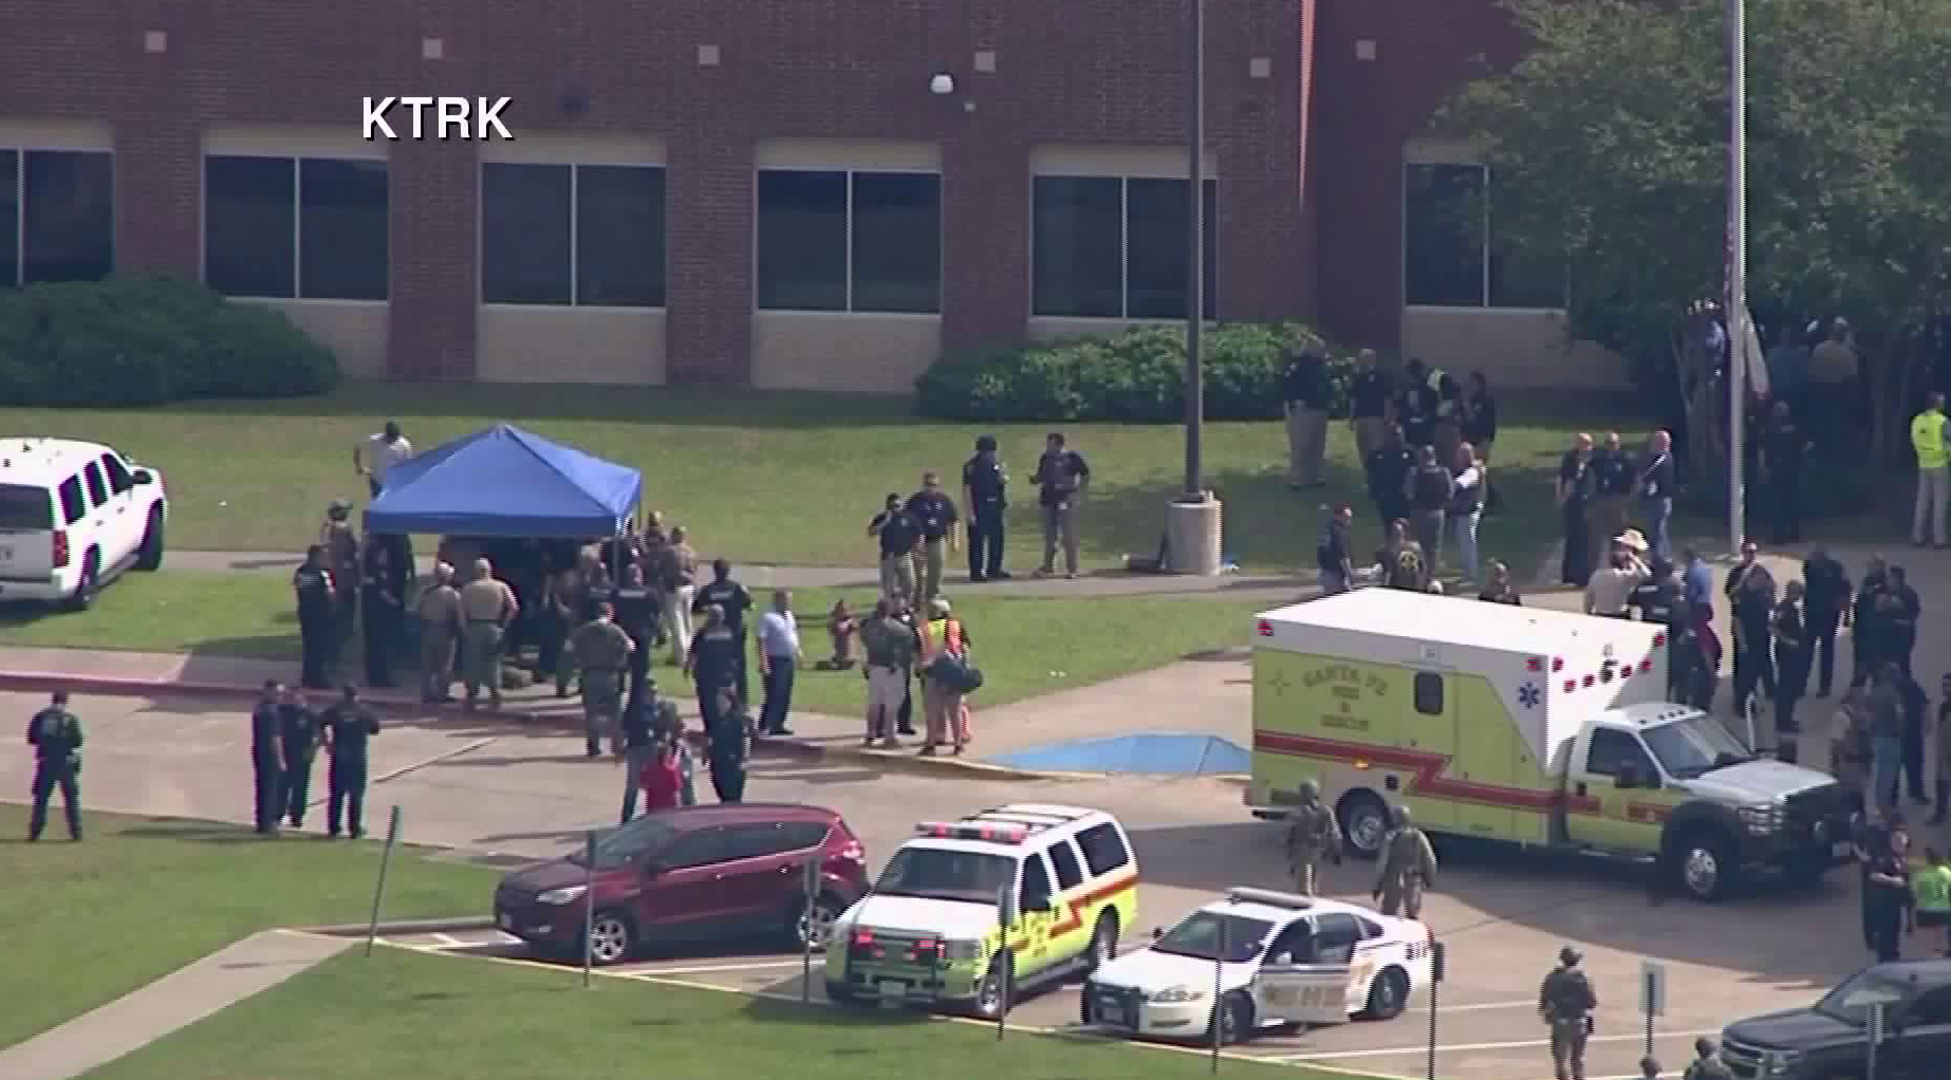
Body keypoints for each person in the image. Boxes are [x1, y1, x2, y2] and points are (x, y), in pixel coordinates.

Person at [571, 602, 634, 758]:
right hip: (610, 674)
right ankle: (617, 745)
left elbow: (570, 646)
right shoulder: (615, 630)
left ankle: (593, 747)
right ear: (610, 613)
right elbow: (630, 646)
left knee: (591, 713)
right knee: (615, 712)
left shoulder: (584, 630)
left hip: (589, 674)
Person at [318, 684, 380, 839]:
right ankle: (355, 829)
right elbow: (375, 730)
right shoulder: (365, 711)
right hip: (357, 757)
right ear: (357, 695)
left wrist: (327, 743)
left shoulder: (335, 710)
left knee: (336, 794)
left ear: (343, 694)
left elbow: (319, 723)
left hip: (339, 757)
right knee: (356, 794)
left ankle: (334, 828)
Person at [458, 558, 518, 711]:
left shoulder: (468, 588)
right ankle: (495, 694)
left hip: (474, 626)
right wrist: (504, 625)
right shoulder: (501, 586)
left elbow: (462, 612)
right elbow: (514, 607)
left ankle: (472, 695)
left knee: (472, 662)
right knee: (493, 662)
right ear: (490, 570)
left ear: (475, 571)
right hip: (494, 626)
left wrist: (464, 629)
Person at [1724, 542, 1777, 713]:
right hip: (1743, 625)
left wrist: (1771, 609)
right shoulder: (1736, 573)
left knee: (1764, 658)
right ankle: (1741, 698)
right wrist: (1741, 585)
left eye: (1753, 552)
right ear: (1743, 553)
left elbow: (1772, 591)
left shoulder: (1761, 571)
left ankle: (1770, 689)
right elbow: (1729, 593)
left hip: (1761, 624)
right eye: (1748, 552)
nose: (1751, 555)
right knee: (1743, 663)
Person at [26, 690, 84, 842]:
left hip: (46, 761)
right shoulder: (70, 718)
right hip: (65, 762)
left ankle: (35, 831)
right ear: (66, 701)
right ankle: (76, 832)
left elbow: (31, 738)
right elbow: (78, 741)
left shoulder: (41, 716)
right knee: (71, 798)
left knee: (41, 798)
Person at [918, 597, 973, 756]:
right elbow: (965, 647)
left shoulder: (924, 628)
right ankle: (958, 745)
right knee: (955, 711)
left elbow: (918, 652)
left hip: (932, 673)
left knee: (932, 711)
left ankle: (931, 745)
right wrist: (965, 667)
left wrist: (920, 668)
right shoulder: (956, 624)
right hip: (953, 672)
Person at [693, 559, 754, 701]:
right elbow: (750, 605)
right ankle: (741, 699)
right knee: (738, 666)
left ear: (714, 571)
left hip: (715, 634)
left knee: (716, 666)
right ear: (728, 571)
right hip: (735, 632)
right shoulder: (737, 588)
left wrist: (710, 609)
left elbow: (695, 609)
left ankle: (717, 697)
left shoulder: (708, 590)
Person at [1032, 432, 1091, 579]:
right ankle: (1048, 567)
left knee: (1068, 535)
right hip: (1047, 500)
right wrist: (1035, 479)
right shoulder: (1045, 457)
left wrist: (1077, 490)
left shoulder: (1072, 457)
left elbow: (1085, 474)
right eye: (1047, 444)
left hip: (1065, 500)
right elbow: (1041, 475)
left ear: (1059, 445)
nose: (1048, 447)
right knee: (1049, 536)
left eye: (1050, 445)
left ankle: (1072, 569)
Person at [860, 599, 917, 747]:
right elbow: (910, 637)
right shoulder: (896, 627)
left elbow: (864, 640)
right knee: (892, 704)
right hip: (891, 668)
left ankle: (870, 734)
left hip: (874, 666)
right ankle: (889, 737)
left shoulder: (867, 626)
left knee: (874, 703)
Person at [1539, 946, 1598, 1080]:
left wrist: (1547, 1014)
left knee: (1560, 1059)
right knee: (1578, 1058)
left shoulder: (1553, 977)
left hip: (1560, 1021)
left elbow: (1544, 999)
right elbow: (1592, 1002)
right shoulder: (1583, 977)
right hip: (1580, 1021)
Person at [613, 562, 661, 716]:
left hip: (621, 636)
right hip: (642, 637)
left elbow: (613, 614)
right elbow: (656, 616)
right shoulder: (649, 593)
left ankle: (616, 705)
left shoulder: (618, 592)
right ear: (639, 576)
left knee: (619, 672)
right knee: (639, 675)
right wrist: (659, 634)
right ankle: (634, 707)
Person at [685, 604, 742, 732]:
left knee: (708, 702)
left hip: (707, 673)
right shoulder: (729, 632)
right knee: (725, 702)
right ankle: (723, 726)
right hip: (723, 673)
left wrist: (687, 668)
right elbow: (735, 654)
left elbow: (693, 653)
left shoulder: (703, 632)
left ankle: (711, 727)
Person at [961, 434, 1010, 582]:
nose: (989, 455)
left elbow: (1002, 483)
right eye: (987, 452)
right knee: (977, 541)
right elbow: (967, 489)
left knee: (997, 539)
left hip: (995, 507)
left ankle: (994, 569)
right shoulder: (971, 467)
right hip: (978, 507)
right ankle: (976, 572)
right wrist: (969, 512)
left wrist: (1003, 475)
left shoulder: (997, 465)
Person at [1801, 547, 1849, 698]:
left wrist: (1846, 613)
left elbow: (1845, 589)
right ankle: (1801, 684)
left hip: (1829, 614)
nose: (1814, 561)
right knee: (1806, 651)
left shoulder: (1836, 569)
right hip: (1812, 614)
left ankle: (1824, 687)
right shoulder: (1809, 568)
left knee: (1827, 651)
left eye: (1817, 558)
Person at [905, 472, 960, 603]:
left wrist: (955, 540)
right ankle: (917, 598)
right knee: (919, 572)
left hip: (937, 539)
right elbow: (906, 520)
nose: (931, 488)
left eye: (934, 485)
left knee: (936, 569)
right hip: (918, 541)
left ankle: (932, 596)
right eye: (928, 485)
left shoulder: (944, 500)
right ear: (923, 485)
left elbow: (954, 520)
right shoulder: (915, 501)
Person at [1372, 805, 1436, 918]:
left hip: (1393, 878)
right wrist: (1429, 878)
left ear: (1395, 819)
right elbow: (1430, 859)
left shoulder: (1390, 838)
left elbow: (1382, 864)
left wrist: (1377, 885)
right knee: (1412, 912)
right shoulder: (1418, 836)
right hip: (1413, 877)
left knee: (1389, 913)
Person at [1758, 400, 1808, 544]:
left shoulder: (1770, 426)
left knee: (1780, 502)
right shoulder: (1793, 427)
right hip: (1788, 468)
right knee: (1789, 501)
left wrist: (1763, 467)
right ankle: (1791, 534)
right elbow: (1806, 446)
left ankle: (1782, 535)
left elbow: (1763, 448)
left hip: (1780, 468)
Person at [1282, 347, 1332, 489]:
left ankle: (1315, 476)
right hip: (1304, 410)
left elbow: (1326, 387)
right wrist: (1295, 401)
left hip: (1320, 408)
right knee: (1301, 445)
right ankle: (1297, 478)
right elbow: (1289, 386)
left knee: (1317, 445)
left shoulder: (1322, 367)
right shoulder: (1298, 366)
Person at [756, 589, 803, 737]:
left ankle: (778, 724)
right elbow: (761, 640)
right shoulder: (768, 617)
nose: (789, 603)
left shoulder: (789, 615)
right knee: (773, 693)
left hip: (788, 659)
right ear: (777, 600)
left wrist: (798, 652)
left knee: (785, 694)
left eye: (790, 600)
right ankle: (765, 725)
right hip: (774, 660)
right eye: (786, 600)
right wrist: (764, 662)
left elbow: (792, 633)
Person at [293, 545, 340, 691]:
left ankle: (307, 676)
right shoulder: (323, 573)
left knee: (309, 646)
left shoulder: (301, 571)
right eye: (324, 556)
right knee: (320, 647)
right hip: (320, 615)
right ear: (316, 557)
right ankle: (319, 678)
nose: (326, 558)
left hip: (305, 613)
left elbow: (298, 587)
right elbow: (330, 594)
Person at [415, 562, 462, 703]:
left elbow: (416, 609)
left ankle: (426, 693)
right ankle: (442, 693)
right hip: (445, 630)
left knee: (427, 664)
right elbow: (459, 614)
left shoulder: (425, 592)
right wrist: (459, 630)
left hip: (427, 629)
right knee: (444, 664)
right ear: (448, 577)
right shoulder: (452, 594)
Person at [1588, 432, 1634, 576]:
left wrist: (1627, 496)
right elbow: (1589, 471)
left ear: (1618, 444)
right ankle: (1596, 567)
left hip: (1618, 498)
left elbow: (1632, 478)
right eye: (1608, 443)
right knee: (1597, 533)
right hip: (1601, 498)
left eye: (1613, 443)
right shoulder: (1598, 459)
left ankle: (1619, 564)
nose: (1611, 446)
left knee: (1619, 533)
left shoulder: (1625, 459)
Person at [360, 541, 403, 688]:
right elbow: (381, 592)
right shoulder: (376, 572)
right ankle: (381, 678)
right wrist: (395, 602)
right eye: (383, 554)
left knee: (375, 647)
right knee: (380, 647)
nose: (385, 557)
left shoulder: (373, 571)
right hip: (378, 614)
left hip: (373, 614)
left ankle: (375, 676)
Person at [1285, 778, 1340, 896]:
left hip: (1302, 851)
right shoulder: (1326, 810)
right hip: (1318, 851)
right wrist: (1336, 851)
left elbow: (1289, 835)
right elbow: (1334, 833)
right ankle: (1313, 900)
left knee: (1304, 886)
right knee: (1314, 882)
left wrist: (1291, 857)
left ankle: (1306, 903)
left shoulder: (1297, 812)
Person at [1865, 825, 1912, 962]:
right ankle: (1886, 961)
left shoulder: (1899, 858)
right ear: (1894, 843)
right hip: (1886, 905)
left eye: (1905, 844)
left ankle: (1893, 958)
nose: (1904, 848)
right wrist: (1893, 881)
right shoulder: (1886, 858)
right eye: (1902, 844)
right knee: (1887, 936)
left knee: (1895, 935)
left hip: (1896, 904)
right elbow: (1874, 875)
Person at [655, 525, 699, 667]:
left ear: (674, 535)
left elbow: (660, 568)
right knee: (688, 622)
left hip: (674, 589)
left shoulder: (669, 551)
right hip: (689, 587)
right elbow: (695, 569)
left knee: (677, 624)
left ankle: (681, 658)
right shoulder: (691, 551)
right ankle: (689, 652)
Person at [1404, 445, 1454, 569]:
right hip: (1438, 512)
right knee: (1434, 545)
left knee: (1417, 544)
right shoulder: (1444, 472)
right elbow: (1450, 493)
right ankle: (1431, 571)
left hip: (1419, 511)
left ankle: (1418, 570)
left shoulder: (1414, 472)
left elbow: (1409, 493)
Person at [1912, 390, 1951, 547]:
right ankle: (1939, 539)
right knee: (1940, 503)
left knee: (1922, 501)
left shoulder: (1917, 420)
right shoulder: (1942, 421)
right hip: (1940, 464)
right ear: (1937, 404)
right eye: (1942, 401)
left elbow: (1915, 439)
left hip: (1923, 463)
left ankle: (1918, 537)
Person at [869, 493, 922, 608]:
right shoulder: (881, 518)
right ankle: (890, 609)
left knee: (910, 584)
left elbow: (919, 533)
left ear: (901, 505)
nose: (895, 509)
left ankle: (907, 607)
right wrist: (885, 522)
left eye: (897, 506)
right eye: (891, 507)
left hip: (905, 556)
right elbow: (871, 532)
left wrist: (917, 548)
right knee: (888, 587)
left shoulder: (909, 517)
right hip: (888, 557)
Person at [277, 687, 320, 829]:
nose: (290, 699)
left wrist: (312, 751)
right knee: (282, 785)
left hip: (302, 754)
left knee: (300, 787)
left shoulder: (310, 714)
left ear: (302, 697)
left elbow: (317, 734)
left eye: (293, 696)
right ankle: (278, 813)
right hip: (286, 752)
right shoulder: (283, 711)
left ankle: (297, 815)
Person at [1771, 581, 1809, 737]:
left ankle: (1788, 719)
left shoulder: (1793, 608)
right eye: (1798, 593)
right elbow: (1773, 627)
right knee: (1786, 689)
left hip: (1794, 653)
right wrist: (1787, 641)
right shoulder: (1783, 608)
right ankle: (1783, 722)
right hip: (1786, 653)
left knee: (1792, 688)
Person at [1557, 434, 1595, 586]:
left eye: (1588, 444)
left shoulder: (1593, 459)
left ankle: (1584, 573)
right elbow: (1566, 480)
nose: (1587, 447)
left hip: (1588, 504)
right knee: (1573, 539)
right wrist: (1562, 497)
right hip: (1574, 504)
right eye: (1584, 444)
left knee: (1586, 540)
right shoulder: (1570, 459)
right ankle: (1571, 574)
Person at [1446, 442, 1485, 583]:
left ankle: (1471, 573)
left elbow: (1460, 484)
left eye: (1461, 455)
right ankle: (1467, 571)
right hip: (1464, 511)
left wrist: (1445, 484)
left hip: (1469, 511)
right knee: (1464, 541)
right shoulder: (1466, 469)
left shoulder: (1472, 471)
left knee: (1468, 542)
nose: (1458, 457)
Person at [1364, 422, 1416, 529]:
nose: (1396, 438)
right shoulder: (1380, 452)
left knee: (1405, 525)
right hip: (1386, 495)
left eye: (1398, 434)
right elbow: (1370, 471)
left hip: (1404, 495)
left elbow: (1416, 471)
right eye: (1393, 435)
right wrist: (1374, 491)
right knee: (1389, 525)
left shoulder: (1409, 451)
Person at [1636, 430, 1678, 562]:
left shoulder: (1663, 458)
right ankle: (1662, 558)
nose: (1652, 444)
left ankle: (1661, 560)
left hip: (1660, 500)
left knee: (1658, 532)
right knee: (1656, 532)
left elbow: (1647, 475)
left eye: (1655, 441)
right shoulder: (1657, 458)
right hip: (1654, 500)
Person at [249, 681, 285, 835]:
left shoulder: (259, 708)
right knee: (271, 788)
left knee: (261, 787)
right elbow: (275, 738)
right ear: (268, 692)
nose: (280, 696)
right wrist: (281, 759)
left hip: (258, 750)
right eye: (277, 693)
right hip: (269, 754)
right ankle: (268, 824)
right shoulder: (272, 712)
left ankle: (261, 821)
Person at [705, 685, 750, 803]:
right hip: (718, 765)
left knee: (733, 798)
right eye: (718, 701)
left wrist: (743, 759)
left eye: (723, 701)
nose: (719, 704)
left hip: (732, 765)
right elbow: (710, 739)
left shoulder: (738, 720)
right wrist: (706, 754)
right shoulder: (715, 719)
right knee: (723, 797)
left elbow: (745, 740)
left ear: (730, 702)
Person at [617, 695, 657, 823]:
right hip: (635, 749)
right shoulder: (633, 711)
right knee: (632, 785)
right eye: (650, 692)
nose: (653, 695)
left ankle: (654, 813)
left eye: (654, 692)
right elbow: (623, 731)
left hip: (652, 749)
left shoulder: (657, 708)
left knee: (654, 784)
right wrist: (620, 749)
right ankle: (626, 817)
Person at [1348, 350, 1393, 463]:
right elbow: (1353, 398)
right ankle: (1367, 471)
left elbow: (1387, 398)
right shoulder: (1358, 377)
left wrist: (1387, 417)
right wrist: (1351, 418)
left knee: (1377, 448)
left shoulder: (1381, 376)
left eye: (1367, 358)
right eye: (1362, 358)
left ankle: (1378, 470)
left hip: (1376, 417)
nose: (1363, 361)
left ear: (1373, 359)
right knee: (1363, 448)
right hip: (1361, 418)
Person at [1463, 371, 1499, 511]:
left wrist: (1467, 407)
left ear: (1480, 384)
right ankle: (1487, 498)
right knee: (1475, 470)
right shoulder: (1471, 399)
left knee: (1479, 470)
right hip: (1472, 440)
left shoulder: (1485, 400)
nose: (1470, 386)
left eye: (1473, 383)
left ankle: (1490, 499)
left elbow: (1477, 420)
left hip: (1482, 440)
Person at [1852, 559, 1891, 689]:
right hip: (1862, 632)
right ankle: (1857, 693)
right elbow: (1858, 606)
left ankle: (1877, 693)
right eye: (1869, 566)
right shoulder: (1866, 582)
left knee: (1877, 671)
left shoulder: (1886, 585)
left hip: (1877, 635)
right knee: (1860, 669)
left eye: (1873, 566)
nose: (1870, 569)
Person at [1584, 547, 1649, 618]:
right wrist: (1636, 561)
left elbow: (1589, 596)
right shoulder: (1626, 576)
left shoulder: (1597, 574)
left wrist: (1588, 611)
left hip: (1599, 615)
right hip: (1619, 616)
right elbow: (1647, 574)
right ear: (1624, 563)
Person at [354, 420, 413, 497]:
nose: (393, 440)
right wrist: (359, 467)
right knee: (378, 502)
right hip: (376, 481)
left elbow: (408, 466)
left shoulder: (405, 445)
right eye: (391, 437)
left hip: (394, 484)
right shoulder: (374, 440)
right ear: (386, 434)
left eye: (395, 437)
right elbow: (358, 446)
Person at [1912, 847, 1951, 956]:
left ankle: (1934, 953)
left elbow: (1915, 892)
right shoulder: (1946, 871)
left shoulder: (1921, 874)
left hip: (1925, 908)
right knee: (1940, 931)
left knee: (1929, 934)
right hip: (1944, 908)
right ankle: (1939, 951)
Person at [1377, 518, 1430, 593]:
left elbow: (1388, 572)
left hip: (1400, 585)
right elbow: (1423, 568)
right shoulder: (1416, 546)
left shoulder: (1388, 549)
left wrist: (1385, 588)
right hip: (1412, 584)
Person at [1316, 504, 1355, 594]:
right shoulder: (1339, 532)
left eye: (1350, 517)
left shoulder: (1327, 529)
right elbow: (1343, 556)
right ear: (1337, 516)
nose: (1349, 520)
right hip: (1336, 575)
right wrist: (1350, 575)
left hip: (1326, 572)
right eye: (1346, 517)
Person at [1934, 674, 1951, 826]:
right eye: (1943, 685)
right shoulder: (1943, 707)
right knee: (1941, 782)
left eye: (1947, 685)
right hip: (1944, 750)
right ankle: (1940, 812)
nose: (1944, 688)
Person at [824, 599, 859, 669]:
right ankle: (840, 661)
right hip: (839, 642)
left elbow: (855, 628)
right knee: (840, 651)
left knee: (846, 650)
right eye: (840, 610)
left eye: (843, 610)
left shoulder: (848, 620)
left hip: (847, 642)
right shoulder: (834, 620)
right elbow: (832, 629)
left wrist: (850, 622)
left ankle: (843, 661)